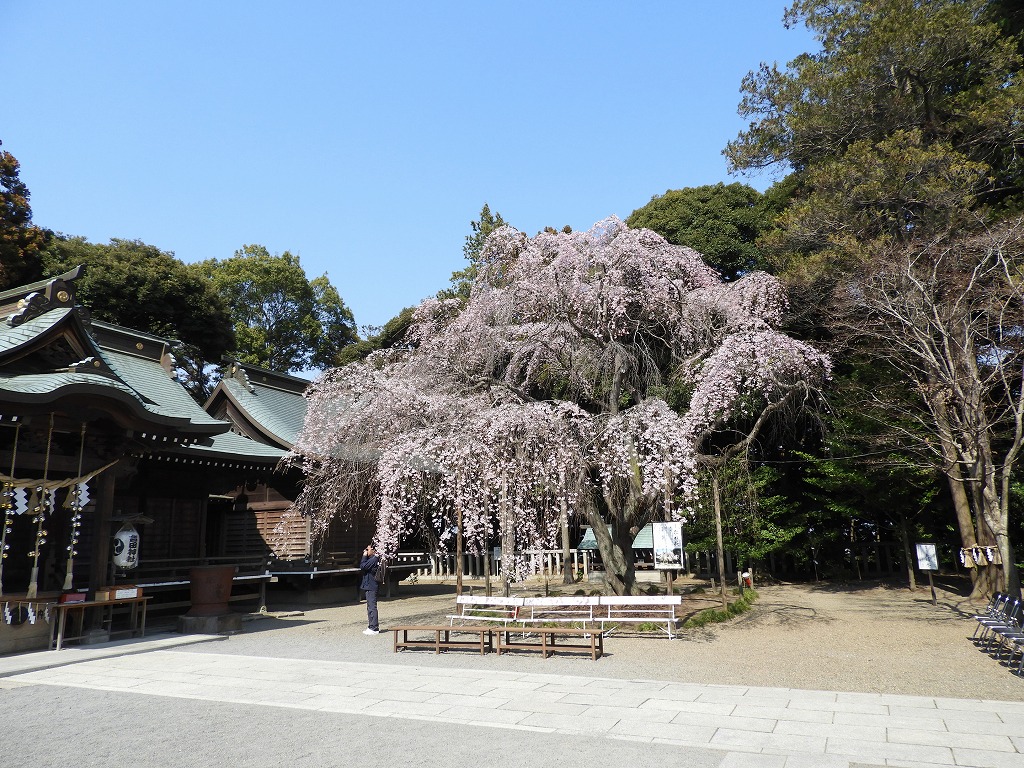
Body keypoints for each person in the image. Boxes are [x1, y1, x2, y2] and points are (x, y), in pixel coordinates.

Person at [359, 544, 381, 635]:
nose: (367, 551)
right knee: (369, 607)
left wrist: (364, 556)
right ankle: (371, 626)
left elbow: (363, 566)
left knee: (372, 606)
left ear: (373, 550)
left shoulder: (375, 559)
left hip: (372, 585)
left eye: (368, 549)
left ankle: (374, 627)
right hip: (369, 585)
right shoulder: (372, 559)